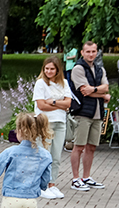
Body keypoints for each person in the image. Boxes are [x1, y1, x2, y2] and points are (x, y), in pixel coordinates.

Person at [68, 41, 110, 192]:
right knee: (79, 146)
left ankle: (86, 177)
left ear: (97, 52)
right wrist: (102, 93)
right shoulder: (78, 69)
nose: (91, 54)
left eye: (93, 51)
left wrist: (96, 90)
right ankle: (75, 178)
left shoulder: (100, 69)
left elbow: (106, 88)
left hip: (98, 112)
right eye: (88, 51)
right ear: (82, 52)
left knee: (91, 146)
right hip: (83, 112)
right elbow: (84, 91)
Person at [33, 57, 71, 198]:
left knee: (56, 156)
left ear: (57, 70)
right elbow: (41, 105)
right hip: (45, 123)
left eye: (52, 69)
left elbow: (68, 103)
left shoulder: (64, 83)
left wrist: (53, 101)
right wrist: (60, 103)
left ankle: (52, 184)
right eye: (46, 68)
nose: (49, 71)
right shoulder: (40, 84)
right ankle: (42, 186)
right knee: (44, 155)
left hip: (60, 122)